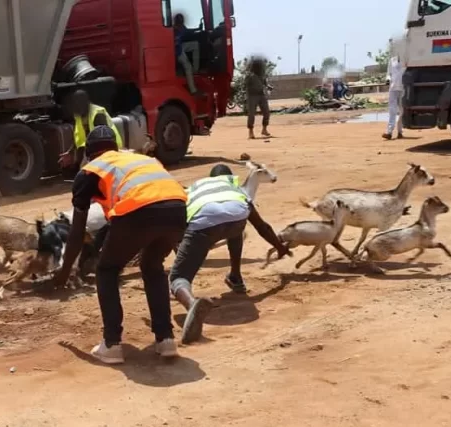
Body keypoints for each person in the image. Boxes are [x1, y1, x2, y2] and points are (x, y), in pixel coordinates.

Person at [53, 126, 187, 364]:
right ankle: (165, 339)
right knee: (153, 267)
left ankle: (112, 344)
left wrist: (63, 274)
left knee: (107, 269)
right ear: (114, 147)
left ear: (90, 154)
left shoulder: (92, 170)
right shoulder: (139, 159)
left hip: (139, 211)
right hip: (177, 210)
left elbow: (76, 234)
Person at [169, 164, 290, 344]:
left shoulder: (197, 188)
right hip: (236, 218)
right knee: (236, 229)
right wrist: (279, 247)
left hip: (203, 224)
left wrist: (179, 245)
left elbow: (179, 220)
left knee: (178, 277)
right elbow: (261, 226)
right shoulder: (237, 190)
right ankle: (236, 276)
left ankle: (191, 303)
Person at [59, 90, 124, 171]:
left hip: (109, 148)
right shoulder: (78, 115)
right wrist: (70, 152)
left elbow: (104, 138)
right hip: (95, 149)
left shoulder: (97, 113)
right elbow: (78, 137)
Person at [173, 13, 204, 96]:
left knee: (195, 45)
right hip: (175, 51)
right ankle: (193, 90)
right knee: (188, 66)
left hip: (179, 47)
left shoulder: (182, 28)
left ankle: (195, 69)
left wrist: (198, 28)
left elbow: (189, 31)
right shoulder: (173, 30)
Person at [245, 57, 273, 139]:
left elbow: (264, 83)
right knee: (251, 114)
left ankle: (264, 129)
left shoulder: (262, 74)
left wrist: (269, 86)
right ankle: (251, 131)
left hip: (261, 95)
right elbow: (246, 86)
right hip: (252, 95)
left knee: (266, 112)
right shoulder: (250, 75)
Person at [383, 54, 405, 140]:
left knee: (402, 110)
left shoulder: (407, 60)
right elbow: (389, 73)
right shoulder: (392, 60)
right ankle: (389, 132)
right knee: (392, 110)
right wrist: (388, 79)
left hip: (403, 88)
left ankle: (400, 131)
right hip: (393, 87)